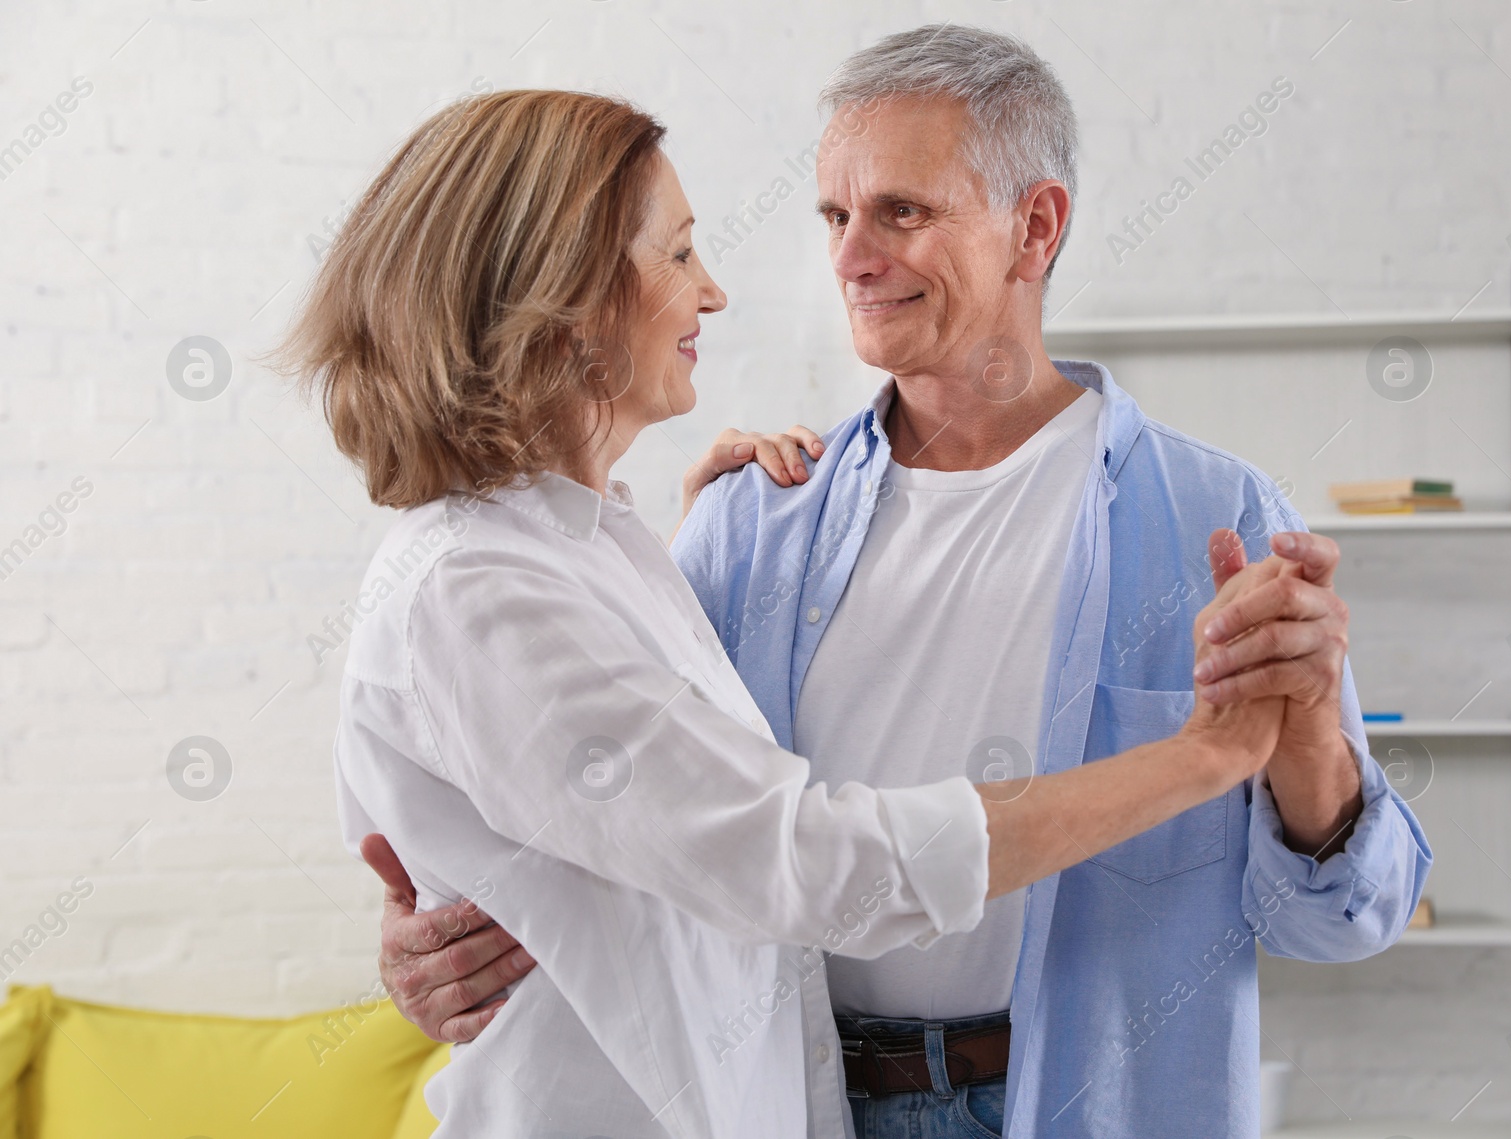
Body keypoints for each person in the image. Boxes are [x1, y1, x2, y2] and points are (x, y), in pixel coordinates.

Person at [368, 27, 1433, 1139]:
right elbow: (623, 823)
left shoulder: (1220, 521)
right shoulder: (751, 518)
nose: (850, 256)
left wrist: (1308, 733)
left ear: (1036, 226)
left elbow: (1345, 924)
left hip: (1078, 1101)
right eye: (834, 216)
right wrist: (434, 930)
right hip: (804, 1100)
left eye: (901, 213)